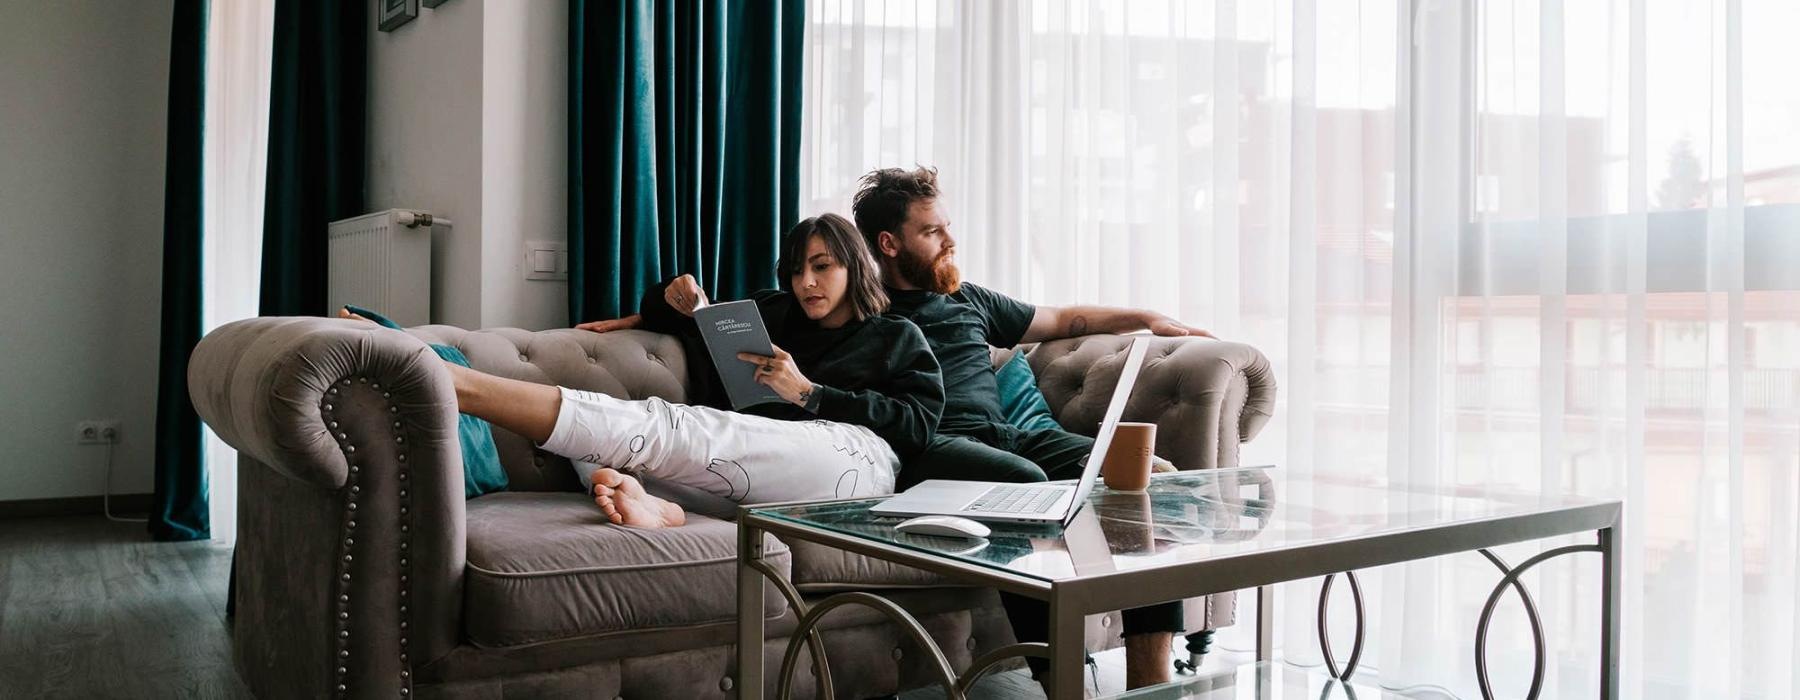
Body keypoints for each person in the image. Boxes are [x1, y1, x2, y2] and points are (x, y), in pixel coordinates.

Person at [851, 165, 1214, 689]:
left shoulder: (968, 299)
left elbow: (1066, 319)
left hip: (1011, 435)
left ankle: (1148, 681)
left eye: (946, 225)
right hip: (938, 445)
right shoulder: (863, 313)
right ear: (889, 243)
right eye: (932, 231)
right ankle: (1058, 683)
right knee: (1023, 485)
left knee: (1142, 477)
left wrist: (1148, 316)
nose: (949, 239)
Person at [350, 213, 943, 528]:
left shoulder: (896, 337)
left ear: (855, 266)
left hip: (855, 459)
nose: (806, 283)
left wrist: (810, 393)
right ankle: (666, 508)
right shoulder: (774, 313)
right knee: (604, 451)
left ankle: (449, 380)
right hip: (760, 468)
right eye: (796, 270)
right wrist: (681, 296)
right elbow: (678, 315)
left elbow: (916, 427)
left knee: (671, 428)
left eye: (822, 267)